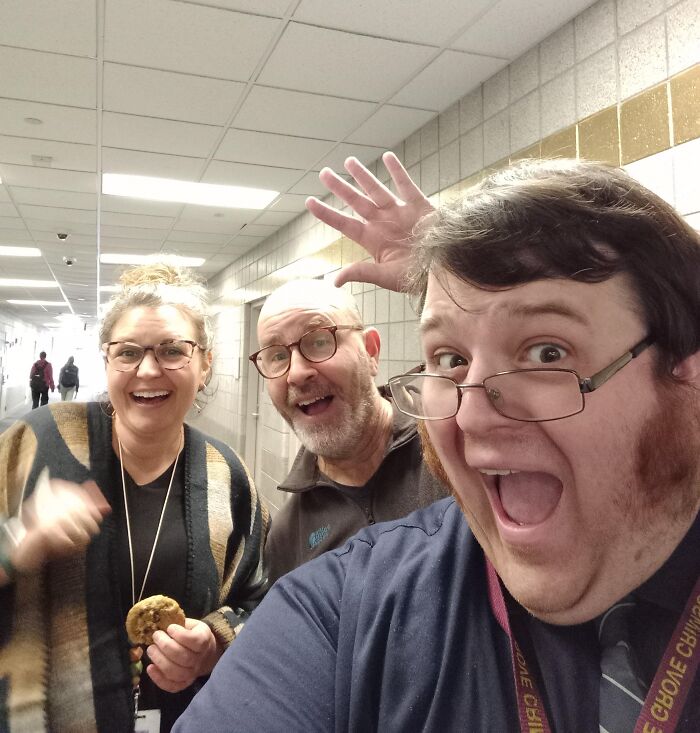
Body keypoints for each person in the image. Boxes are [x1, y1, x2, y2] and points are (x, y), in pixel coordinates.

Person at [174, 154, 699, 732]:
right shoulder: (340, 602)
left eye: (546, 353)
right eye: (449, 359)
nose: (471, 416)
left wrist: (468, 267)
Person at [0, 260, 269, 732]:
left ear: (204, 365)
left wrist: (215, 642)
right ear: (106, 361)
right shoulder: (37, 442)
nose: (148, 370)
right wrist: (18, 539)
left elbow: (260, 600)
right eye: (127, 353)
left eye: (172, 351)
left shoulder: (228, 477)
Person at [251, 279, 448, 584]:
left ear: (370, 351)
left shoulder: (450, 441)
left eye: (319, 341)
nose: (298, 373)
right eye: (277, 356)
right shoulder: (288, 535)